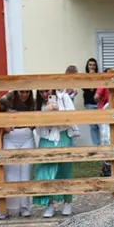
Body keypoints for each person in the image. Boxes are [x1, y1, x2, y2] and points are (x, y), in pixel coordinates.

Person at [32, 88, 77, 217]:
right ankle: (49, 203)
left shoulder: (64, 98)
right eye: (41, 92)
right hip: (46, 138)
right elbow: (37, 125)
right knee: (44, 171)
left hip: (63, 135)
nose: (44, 94)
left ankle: (67, 202)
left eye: (46, 91)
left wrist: (58, 112)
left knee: (64, 170)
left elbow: (72, 118)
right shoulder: (39, 103)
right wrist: (45, 113)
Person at [0, 88, 38, 219]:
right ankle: (8, 207)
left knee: (25, 171)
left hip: (26, 137)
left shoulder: (33, 102)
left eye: (26, 92)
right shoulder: (6, 100)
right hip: (10, 137)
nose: (24, 95)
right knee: (10, 172)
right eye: (21, 92)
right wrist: (5, 123)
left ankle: (24, 206)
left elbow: (36, 121)